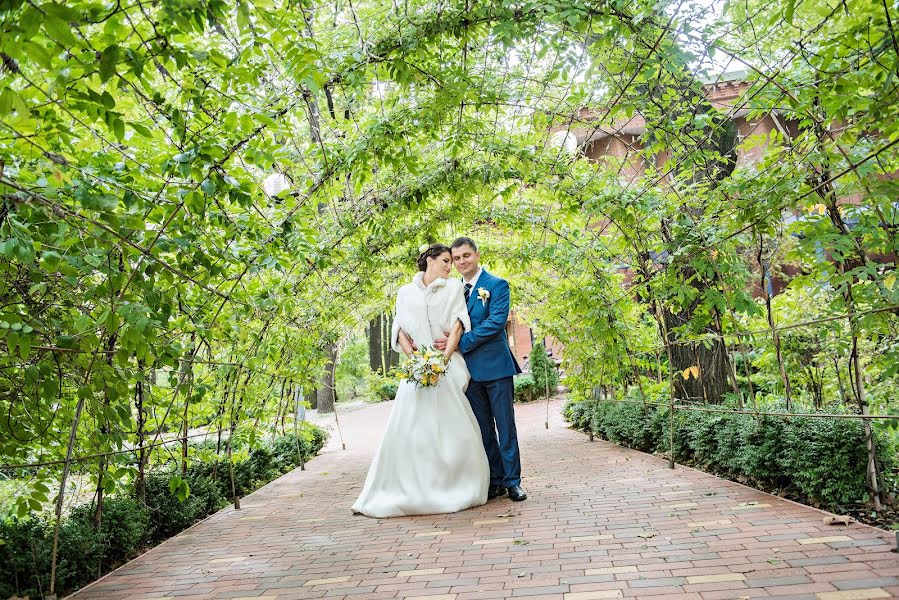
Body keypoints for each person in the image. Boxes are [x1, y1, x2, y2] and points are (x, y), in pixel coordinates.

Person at [351, 244, 489, 518]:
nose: (450, 266)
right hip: (415, 369)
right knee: (411, 428)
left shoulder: (453, 289)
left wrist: (443, 360)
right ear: (429, 260)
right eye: (446, 261)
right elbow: (399, 329)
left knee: (451, 429)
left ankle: (455, 484)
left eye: (453, 262)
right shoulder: (405, 292)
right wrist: (415, 360)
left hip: (445, 365)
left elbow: (459, 325)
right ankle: (407, 487)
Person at [435, 237, 526, 502]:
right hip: (467, 373)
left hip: (496, 368)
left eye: (466, 256)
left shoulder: (496, 285)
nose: (462, 262)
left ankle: (513, 482)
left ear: (477, 255)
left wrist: (457, 344)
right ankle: (495, 480)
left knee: (505, 427)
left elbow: (495, 323)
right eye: (456, 259)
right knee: (483, 430)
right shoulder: (453, 290)